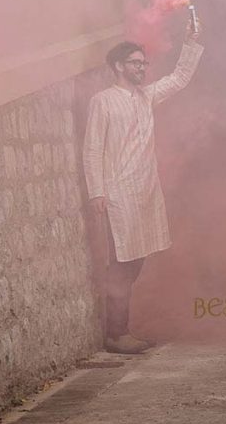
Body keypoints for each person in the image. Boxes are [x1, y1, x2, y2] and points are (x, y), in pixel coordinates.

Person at [83, 20, 203, 354]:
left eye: (143, 63)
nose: (141, 68)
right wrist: (97, 191)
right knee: (123, 261)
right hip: (118, 193)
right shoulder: (103, 101)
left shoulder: (146, 97)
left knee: (137, 260)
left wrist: (191, 42)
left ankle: (121, 329)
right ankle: (116, 333)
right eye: (135, 63)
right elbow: (92, 148)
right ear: (118, 66)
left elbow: (179, 78)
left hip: (146, 191)